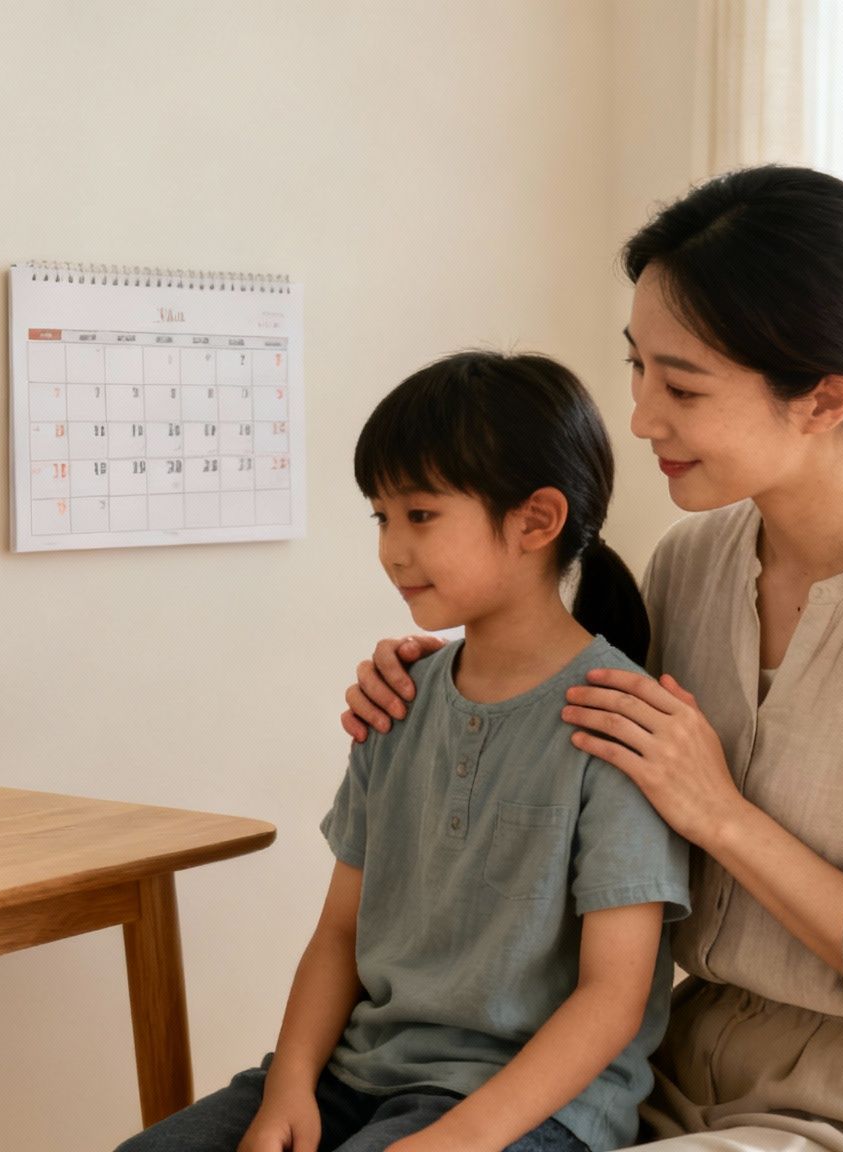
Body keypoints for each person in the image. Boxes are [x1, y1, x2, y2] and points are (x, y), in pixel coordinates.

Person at [342, 167, 843, 1150]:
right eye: (636, 368)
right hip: (658, 1070)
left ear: (822, 400)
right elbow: (565, 756)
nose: (637, 417)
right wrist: (437, 680)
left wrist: (720, 815)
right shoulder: (693, 563)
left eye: (679, 385)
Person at [118, 352, 688, 1152]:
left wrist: (459, 1139)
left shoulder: (615, 720)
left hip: (529, 1104)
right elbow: (339, 935)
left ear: (535, 521)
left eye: (420, 515)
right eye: (380, 517)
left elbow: (612, 998)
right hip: (361, 1074)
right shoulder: (401, 698)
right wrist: (287, 1087)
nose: (391, 548)